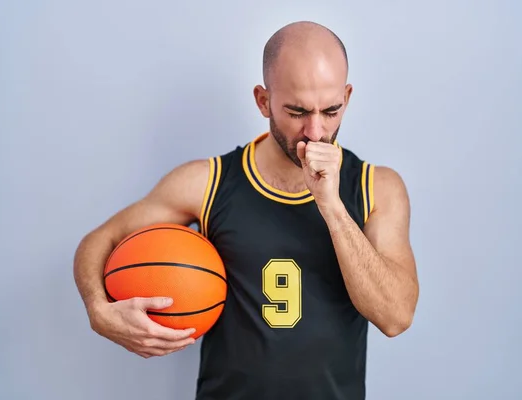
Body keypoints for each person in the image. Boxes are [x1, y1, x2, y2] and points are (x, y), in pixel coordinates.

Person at [74, 20, 419, 400]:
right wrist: (98, 309)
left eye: (331, 110)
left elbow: (396, 317)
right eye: (297, 112)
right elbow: (100, 240)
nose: (316, 131)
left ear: (347, 97)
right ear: (263, 101)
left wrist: (332, 207)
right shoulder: (209, 182)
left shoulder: (376, 188)